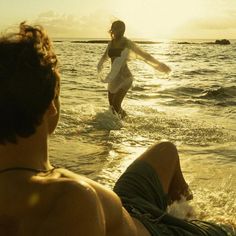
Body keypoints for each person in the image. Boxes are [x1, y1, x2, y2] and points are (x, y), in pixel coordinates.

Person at [0, 23, 232, 236]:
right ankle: (195, 227)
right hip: (152, 230)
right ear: (51, 107)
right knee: (227, 228)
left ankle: (190, 218)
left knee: (165, 150)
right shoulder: (70, 202)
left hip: (128, 205)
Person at [97, 20, 171, 118]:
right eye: (115, 28)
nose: (117, 31)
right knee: (112, 108)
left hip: (125, 78)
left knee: (116, 105)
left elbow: (144, 55)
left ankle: (126, 122)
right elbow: (105, 56)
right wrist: (99, 65)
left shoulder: (127, 43)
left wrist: (159, 64)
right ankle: (117, 125)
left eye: (120, 29)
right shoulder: (111, 43)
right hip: (113, 78)